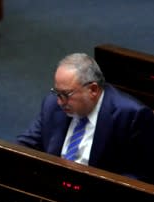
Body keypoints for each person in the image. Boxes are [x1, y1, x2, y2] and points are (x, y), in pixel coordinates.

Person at [16, 53, 154, 184]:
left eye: (66, 94)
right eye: (57, 93)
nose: (60, 101)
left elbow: (141, 174)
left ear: (93, 90)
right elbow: (27, 144)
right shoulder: (52, 105)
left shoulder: (132, 116)